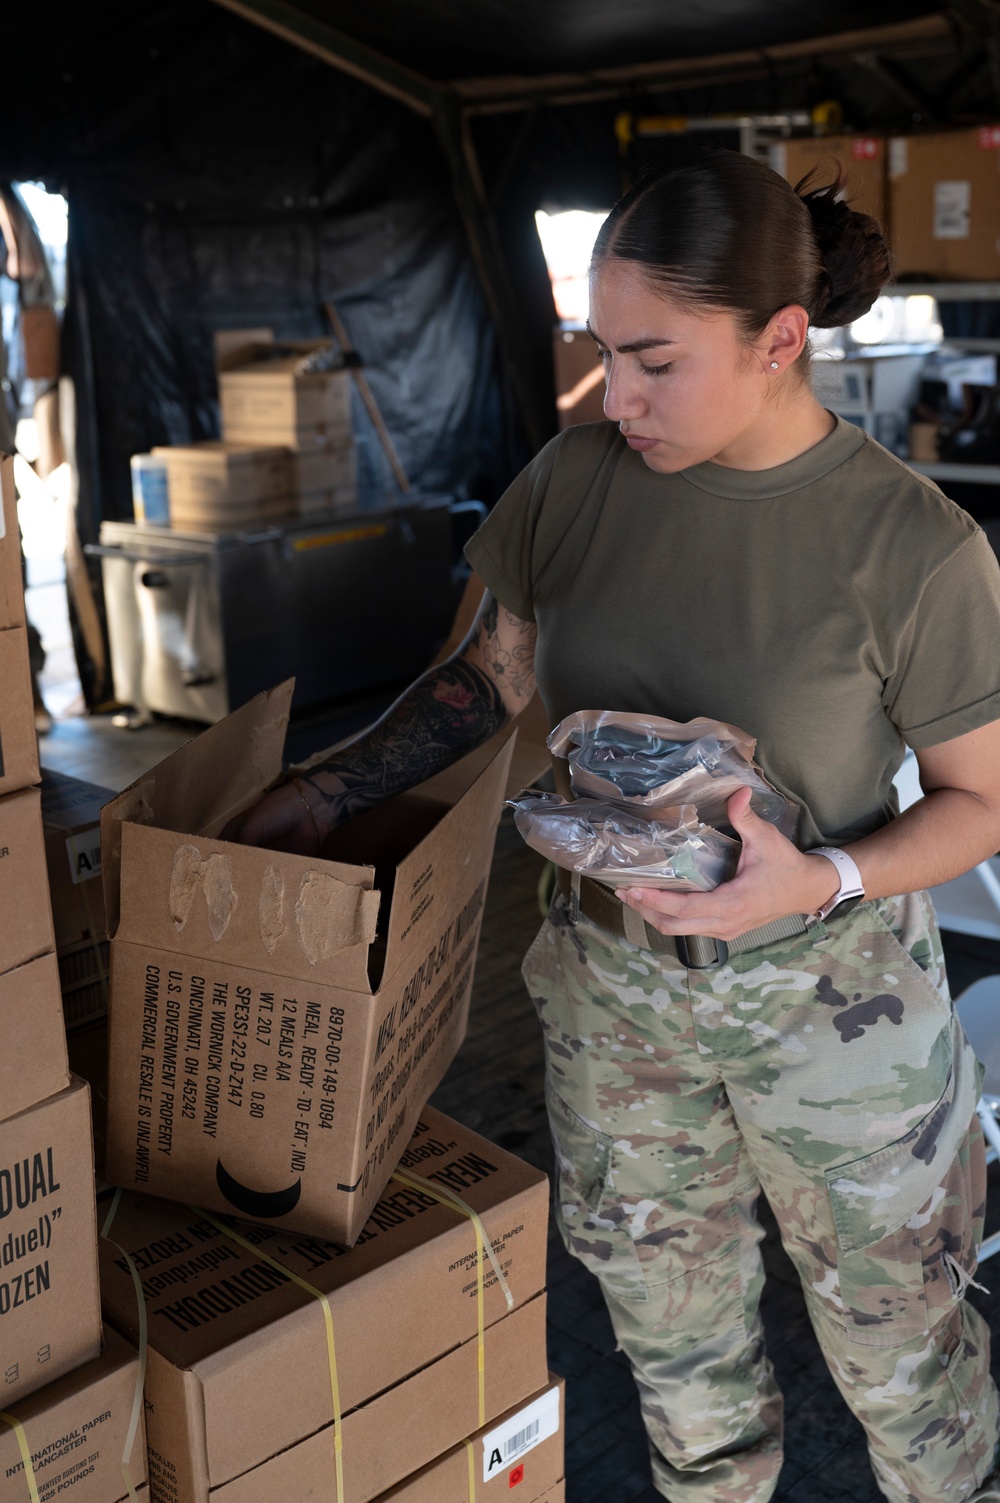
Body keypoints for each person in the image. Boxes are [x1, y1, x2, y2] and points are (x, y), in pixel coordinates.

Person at [227, 148, 1000, 1502]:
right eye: (601, 352)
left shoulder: (914, 548)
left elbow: (981, 806)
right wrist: (324, 790)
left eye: (652, 360)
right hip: (613, 1000)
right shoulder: (577, 481)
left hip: (835, 1015)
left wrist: (817, 877)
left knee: (909, 1370)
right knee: (679, 1360)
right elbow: (487, 679)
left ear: (777, 341)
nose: (614, 395)